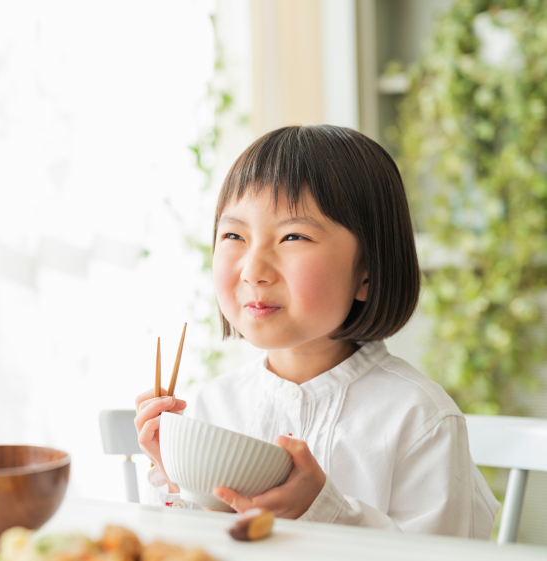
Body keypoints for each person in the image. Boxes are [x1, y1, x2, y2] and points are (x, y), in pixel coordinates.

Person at [134, 125, 500, 538]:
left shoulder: (419, 419)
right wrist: (176, 474)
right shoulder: (211, 407)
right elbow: (182, 545)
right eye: (234, 235)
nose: (253, 270)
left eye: (293, 236)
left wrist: (322, 509)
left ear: (367, 272)